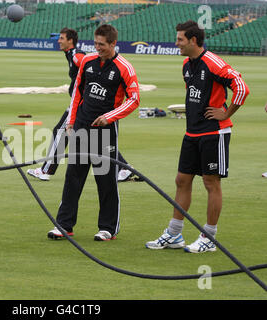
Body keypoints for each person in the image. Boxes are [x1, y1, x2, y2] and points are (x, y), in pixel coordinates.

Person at [146, 20, 249, 253]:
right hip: (192, 132)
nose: (176, 43)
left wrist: (226, 112)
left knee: (211, 183)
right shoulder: (186, 65)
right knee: (182, 180)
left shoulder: (213, 62)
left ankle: (209, 237)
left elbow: (241, 87)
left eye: (180, 39)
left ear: (193, 40)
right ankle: (174, 234)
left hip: (214, 132)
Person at [48, 24, 140, 241]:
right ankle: (64, 225)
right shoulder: (88, 61)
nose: (97, 47)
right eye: (95, 43)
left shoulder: (124, 67)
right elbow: (77, 94)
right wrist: (71, 123)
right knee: (73, 177)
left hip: (106, 131)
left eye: (102, 44)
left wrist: (111, 116)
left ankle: (108, 228)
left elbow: (135, 100)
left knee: (105, 179)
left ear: (113, 44)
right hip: (81, 127)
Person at [27, 27, 138, 182]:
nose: (59, 41)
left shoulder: (76, 55)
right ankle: (123, 167)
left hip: (83, 103)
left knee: (60, 130)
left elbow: (86, 64)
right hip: (83, 103)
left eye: (62, 38)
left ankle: (47, 170)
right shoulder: (70, 55)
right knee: (94, 140)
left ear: (70, 41)